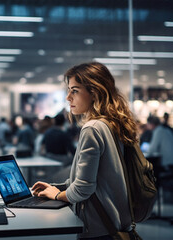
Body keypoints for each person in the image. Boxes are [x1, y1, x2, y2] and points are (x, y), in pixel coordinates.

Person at [31, 62, 136, 239]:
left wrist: (57, 195)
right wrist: (59, 188)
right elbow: (99, 177)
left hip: (98, 226)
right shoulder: (111, 124)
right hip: (115, 220)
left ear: (94, 92)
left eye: (75, 91)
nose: (68, 97)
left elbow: (83, 189)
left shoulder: (92, 128)